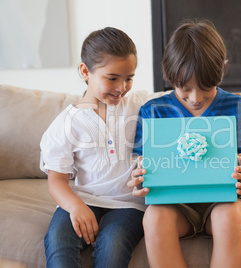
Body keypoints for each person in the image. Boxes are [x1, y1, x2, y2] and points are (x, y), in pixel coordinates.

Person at [127, 20, 241, 268]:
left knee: (228, 214)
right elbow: (143, 176)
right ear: (169, 76)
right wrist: (139, 183)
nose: (195, 98)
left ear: (221, 70)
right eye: (184, 88)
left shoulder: (238, 107)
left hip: (226, 204)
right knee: (154, 217)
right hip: (175, 207)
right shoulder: (153, 112)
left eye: (206, 88)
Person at [40, 27, 146, 268]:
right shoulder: (67, 123)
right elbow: (56, 181)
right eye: (112, 78)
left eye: (129, 78)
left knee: (113, 244)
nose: (121, 87)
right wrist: (76, 206)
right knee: (58, 240)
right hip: (84, 199)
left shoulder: (139, 106)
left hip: (128, 205)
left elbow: (182, 98)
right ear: (85, 71)